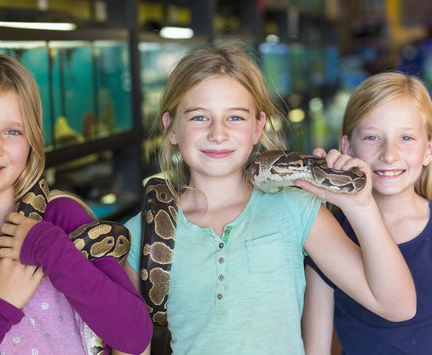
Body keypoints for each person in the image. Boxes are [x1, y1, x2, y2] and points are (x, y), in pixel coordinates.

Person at [121, 44, 416, 354]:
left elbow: (397, 305)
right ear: (171, 129)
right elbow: (129, 344)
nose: (218, 134)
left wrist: (361, 207)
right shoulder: (141, 232)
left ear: (258, 127)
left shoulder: (295, 208)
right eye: (199, 118)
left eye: (235, 118)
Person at [0, 53, 152, 354]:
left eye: (12, 131)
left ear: (33, 139)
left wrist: (51, 249)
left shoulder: (61, 217)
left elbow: (134, 335)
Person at [302, 72, 432, 354]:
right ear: (347, 147)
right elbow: (316, 349)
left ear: (429, 150)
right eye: (372, 137)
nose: (389, 154)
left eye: (406, 137)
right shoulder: (329, 236)